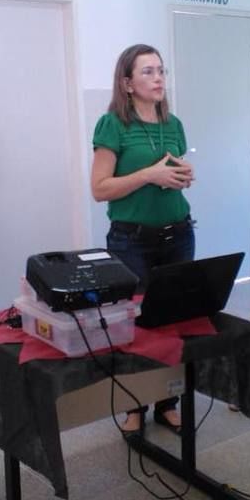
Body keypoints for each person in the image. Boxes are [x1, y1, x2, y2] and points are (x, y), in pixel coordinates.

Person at [91, 43, 195, 435]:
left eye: (161, 71)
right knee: (133, 326)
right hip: (131, 241)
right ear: (127, 82)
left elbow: (171, 175)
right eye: (148, 72)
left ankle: (168, 399)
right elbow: (100, 189)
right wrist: (148, 175)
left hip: (178, 234)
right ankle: (134, 404)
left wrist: (182, 176)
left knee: (173, 322)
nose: (158, 79)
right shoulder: (113, 125)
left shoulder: (174, 124)